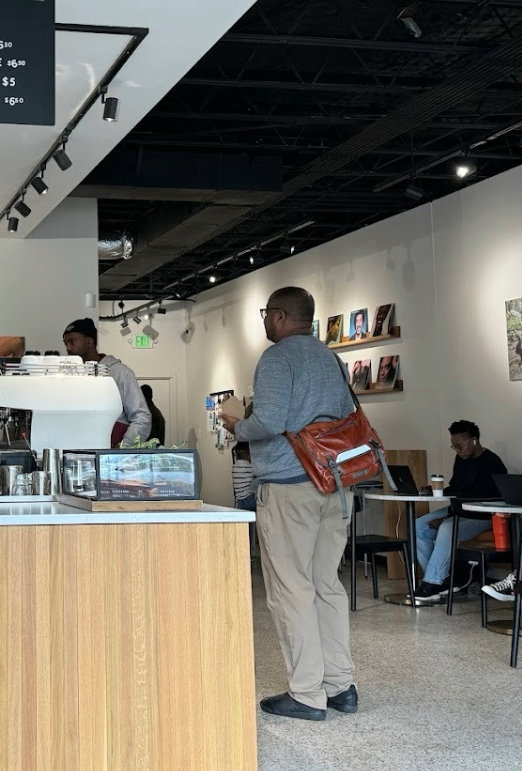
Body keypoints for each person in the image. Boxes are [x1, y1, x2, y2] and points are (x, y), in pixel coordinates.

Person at [220, 286, 357, 722]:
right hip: (334, 485)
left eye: (265, 314)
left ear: (278, 316)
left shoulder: (277, 358)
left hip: (288, 486)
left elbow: (270, 422)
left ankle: (306, 693)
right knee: (326, 585)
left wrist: (236, 423)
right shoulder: (330, 358)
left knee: (290, 590)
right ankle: (340, 686)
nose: (264, 321)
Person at [412, 421, 508, 603]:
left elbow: (481, 501)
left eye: (459, 446)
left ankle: (433, 582)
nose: (457, 450)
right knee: (418, 526)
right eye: (453, 446)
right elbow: (457, 489)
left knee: (447, 529)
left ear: (474, 441)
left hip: (484, 515)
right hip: (460, 510)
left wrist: (447, 517)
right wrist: (433, 491)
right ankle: (439, 580)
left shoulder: (492, 464)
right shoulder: (462, 459)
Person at [63, 318, 151, 446]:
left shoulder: (120, 373)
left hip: (111, 458)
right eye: (65, 343)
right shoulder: (71, 375)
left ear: (89, 341)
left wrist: (124, 448)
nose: (68, 348)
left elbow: (142, 417)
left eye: (72, 341)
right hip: (79, 454)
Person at [232, 442, 256, 511]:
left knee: (245, 518)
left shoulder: (234, 466)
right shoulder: (248, 466)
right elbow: (258, 474)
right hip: (249, 498)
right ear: (248, 454)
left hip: (239, 499)